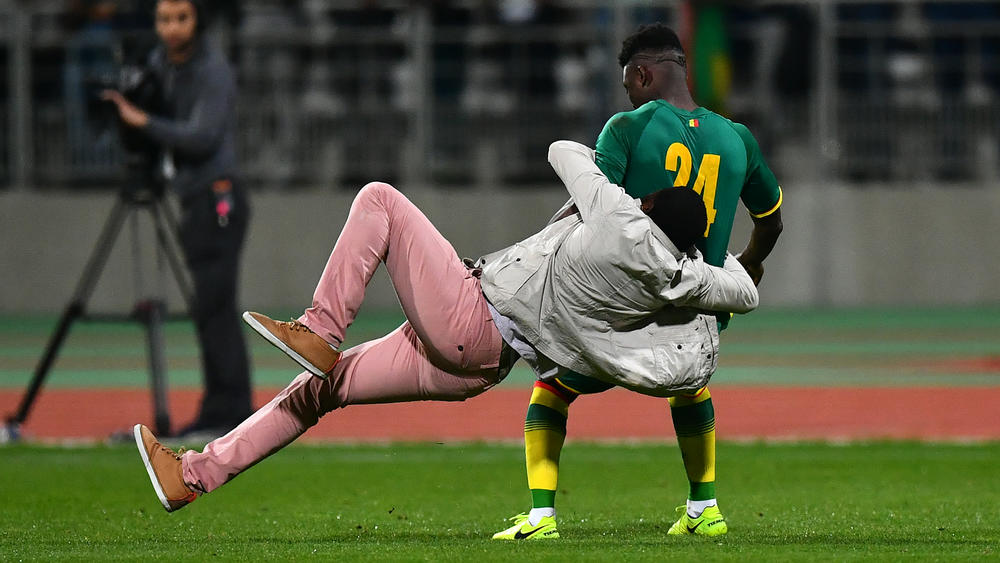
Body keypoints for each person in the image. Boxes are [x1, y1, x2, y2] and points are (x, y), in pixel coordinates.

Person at [132, 139, 758, 514]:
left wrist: (617, 160)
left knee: (380, 198)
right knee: (319, 393)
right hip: (482, 362)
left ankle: (320, 330)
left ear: (644, 206)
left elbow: (566, 154)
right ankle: (192, 478)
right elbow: (746, 291)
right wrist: (709, 258)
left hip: (472, 314)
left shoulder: (618, 221)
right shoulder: (678, 274)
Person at [497, 23, 783, 540]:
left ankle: (541, 517)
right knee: (692, 389)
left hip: (622, 316)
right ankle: (705, 509)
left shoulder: (627, 128)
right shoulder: (737, 139)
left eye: (628, 81)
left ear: (643, 73)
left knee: (551, 388)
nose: (627, 91)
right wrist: (749, 262)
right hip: (697, 313)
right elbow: (772, 220)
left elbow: (594, 211)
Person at [102, 0, 252, 438]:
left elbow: (202, 136)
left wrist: (142, 120)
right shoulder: (160, 63)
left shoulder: (213, 70)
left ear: (197, 20)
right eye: (164, 19)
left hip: (218, 198)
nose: (170, 28)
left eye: (180, 18)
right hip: (192, 200)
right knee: (208, 308)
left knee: (216, 306)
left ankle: (230, 412)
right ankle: (220, 410)